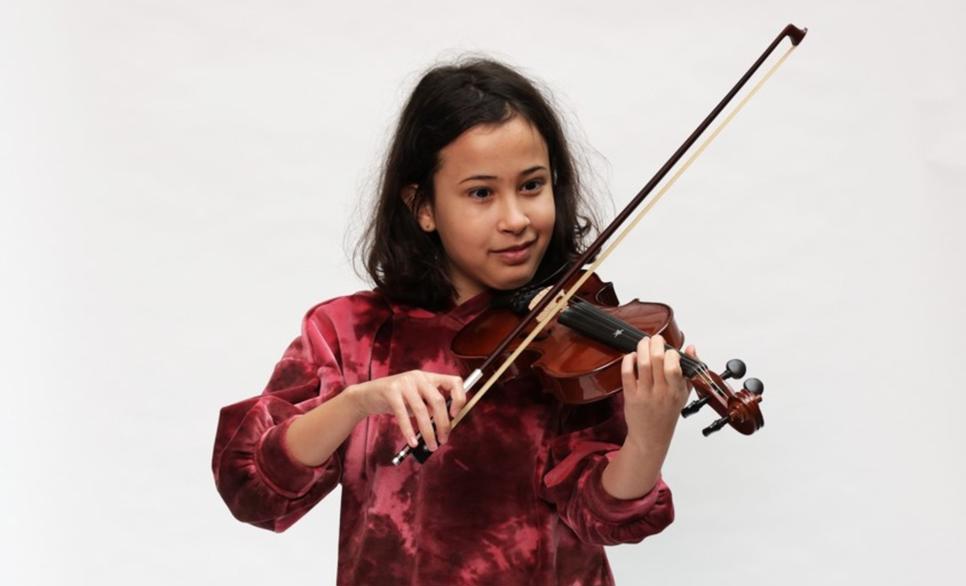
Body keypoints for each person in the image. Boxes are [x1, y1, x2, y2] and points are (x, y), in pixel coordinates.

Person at [212, 57, 696, 585]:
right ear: (423, 206)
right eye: (481, 193)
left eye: (532, 185)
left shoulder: (570, 342)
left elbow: (601, 515)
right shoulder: (350, 332)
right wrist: (358, 401)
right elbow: (255, 491)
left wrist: (650, 434)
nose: (516, 219)